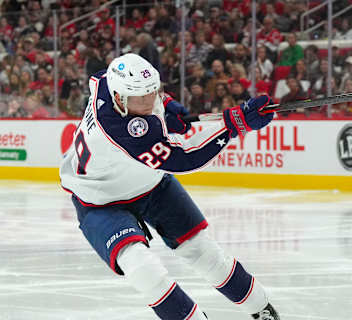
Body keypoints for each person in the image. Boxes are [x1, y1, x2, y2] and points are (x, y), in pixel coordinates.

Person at [59, 53, 280, 320]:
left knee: (204, 252)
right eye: (142, 99)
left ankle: (263, 310)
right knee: (141, 267)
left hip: (151, 185)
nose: (150, 102)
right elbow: (183, 157)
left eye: (153, 92)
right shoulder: (121, 127)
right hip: (99, 200)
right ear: (119, 99)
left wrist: (167, 104)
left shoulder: (107, 82)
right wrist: (236, 124)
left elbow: (115, 84)